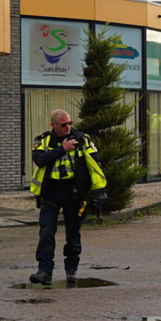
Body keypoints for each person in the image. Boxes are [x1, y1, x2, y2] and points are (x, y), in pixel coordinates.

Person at [29, 109, 107, 285]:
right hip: (51, 191)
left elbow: (95, 164)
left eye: (70, 123)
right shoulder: (43, 140)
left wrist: (99, 190)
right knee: (46, 230)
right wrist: (62, 149)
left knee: (73, 234)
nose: (68, 127)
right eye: (63, 125)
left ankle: (71, 269)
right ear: (53, 125)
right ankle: (44, 271)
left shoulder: (82, 139)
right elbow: (39, 160)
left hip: (74, 192)